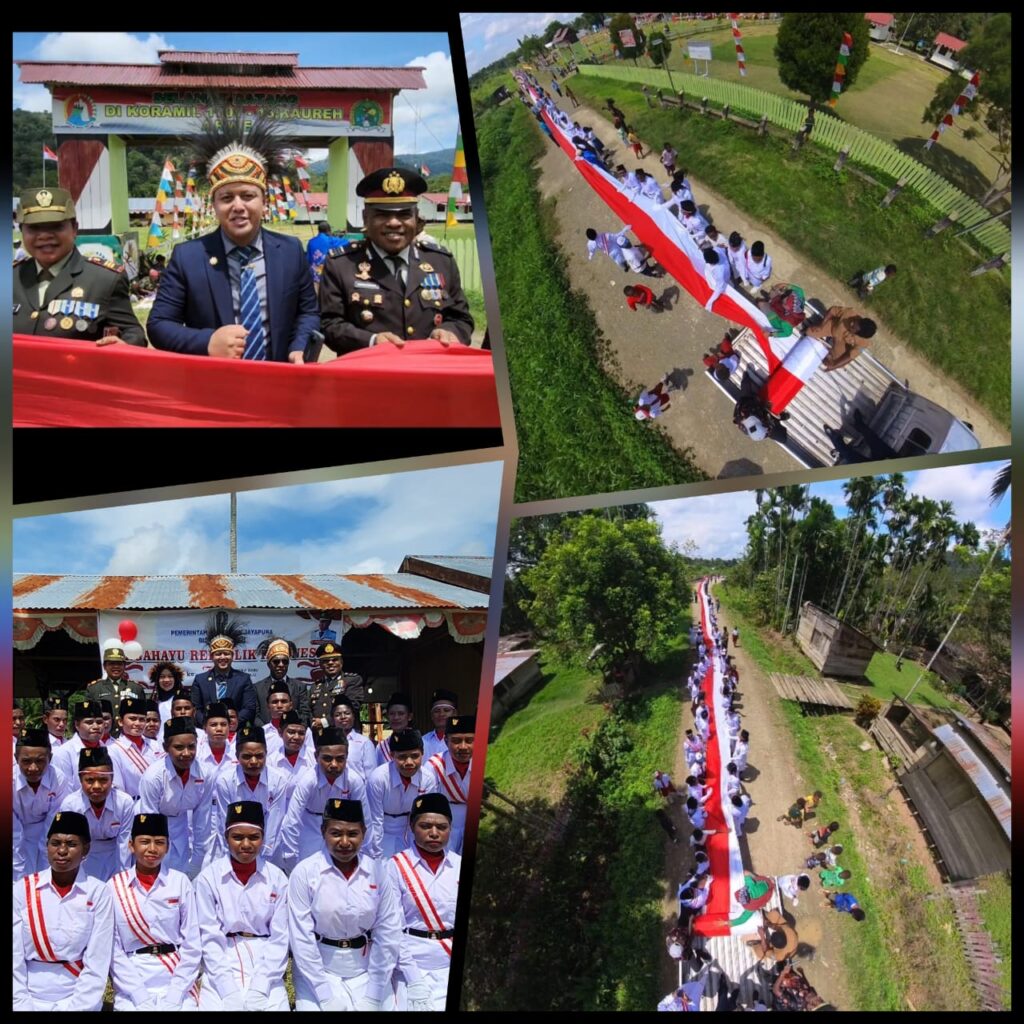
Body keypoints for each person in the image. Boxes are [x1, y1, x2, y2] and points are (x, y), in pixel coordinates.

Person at [147, 109, 319, 361]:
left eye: (248, 196)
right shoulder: (188, 257)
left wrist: (298, 347)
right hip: (214, 379)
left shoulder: (291, 250)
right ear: (214, 205)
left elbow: (308, 312)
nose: (238, 206)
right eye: (227, 198)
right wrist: (207, 342)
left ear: (264, 202)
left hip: (279, 375)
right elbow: (159, 324)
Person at [319, 166, 474, 354]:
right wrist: (371, 341)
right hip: (368, 369)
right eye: (382, 214)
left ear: (416, 218)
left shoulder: (441, 261)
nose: (394, 222)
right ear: (365, 218)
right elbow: (329, 323)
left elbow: (461, 318)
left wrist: (450, 331)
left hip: (430, 368)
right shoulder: (341, 264)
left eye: (404, 214)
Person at [288, 798, 402, 1011]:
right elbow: (301, 938)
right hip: (319, 969)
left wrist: (374, 994)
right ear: (323, 832)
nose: (344, 842)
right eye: (336, 833)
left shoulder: (378, 872)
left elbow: (388, 932)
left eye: (352, 834)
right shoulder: (304, 873)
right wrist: (324, 995)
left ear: (364, 833)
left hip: (366, 968)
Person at [13, 186, 146, 344]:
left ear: (74, 229)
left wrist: (126, 344)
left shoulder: (105, 279)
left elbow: (133, 332)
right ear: (22, 231)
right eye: (34, 228)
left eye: (56, 226)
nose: (45, 236)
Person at [13, 811, 115, 1011]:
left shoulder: (98, 892)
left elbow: (97, 960)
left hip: (77, 994)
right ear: (47, 846)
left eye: (71, 844)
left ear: (86, 849)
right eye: (55, 843)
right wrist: (22, 1004)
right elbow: (14, 956)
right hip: (27, 994)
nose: (61, 850)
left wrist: (77, 1007)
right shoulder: (22, 889)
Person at [194, 801, 291, 1011]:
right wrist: (227, 989)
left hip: (266, 958)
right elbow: (209, 937)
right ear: (226, 838)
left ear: (263, 838)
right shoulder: (208, 878)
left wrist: (261, 986)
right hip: (222, 957)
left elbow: (280, 937)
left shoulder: (277, 878)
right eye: (237, 837)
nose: (246, 844)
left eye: (254, 837)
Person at [108, 812, 202, 1010]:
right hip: (133, 975)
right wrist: (139, 994)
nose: (152, 849)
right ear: (131, 845)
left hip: (175, 972)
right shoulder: (114, 886)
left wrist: (176, 993)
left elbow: (192, 943)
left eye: (159, 842)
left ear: (168, 847)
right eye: (144, 842)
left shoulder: (180, 882)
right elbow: (113, 949)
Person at [387, 792, 460, 1011]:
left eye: (442, 827)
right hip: (411, 964)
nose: (434, 833)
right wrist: (414, 979)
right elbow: (392, 928)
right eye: (425, 826)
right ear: (412, 827)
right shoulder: (395, 866)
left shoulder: (458, 865)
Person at [278, 727, 372, 872]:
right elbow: (291, 822)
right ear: (316, 757)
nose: (334, 764)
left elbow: (365, 820)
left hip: (341, 833)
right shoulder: (308, 781)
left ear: (347, 757)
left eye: (340, 759)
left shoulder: (354, 780)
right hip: (310, 831)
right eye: (327, 758)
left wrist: (365, 857)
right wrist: (292, 863)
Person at [137, 717, 214, 877]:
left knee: (183, 877)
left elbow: (202, 820)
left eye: (191, 746)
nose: (186, 753)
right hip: (152, 823)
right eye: (179, 747)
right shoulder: (153, 777)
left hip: (181, 825)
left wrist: (198, 860)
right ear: (166, 747)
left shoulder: (205, 774)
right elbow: (150, 824)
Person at [209, 721, 290, 867]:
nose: (253, 761)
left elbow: (274, 823)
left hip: (268, 851)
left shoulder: (278, 780)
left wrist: (262, 857)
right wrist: (235, 854)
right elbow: (224, 822)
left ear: (266, 754)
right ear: (237, 756)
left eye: (259, 756)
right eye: (247, 756)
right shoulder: (225, 780)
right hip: (234, 849)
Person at [57, 746, 133, 881]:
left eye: (103, 780)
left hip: (114, 854)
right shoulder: (70, 805)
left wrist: (123, 877)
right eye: (90, 780)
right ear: (80, 780)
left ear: (112, 779)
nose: (97, 786)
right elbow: (70, 844)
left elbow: (124, 844)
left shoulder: (124, 802)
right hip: (84, 855)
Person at [366, 729, 440, 860]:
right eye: (402, 757)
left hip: (411, 831)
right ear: (392, 755)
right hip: (383, 832)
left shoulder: (428, 779)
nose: (409, 762)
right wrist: (376, 856)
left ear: (422, 754)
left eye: (415, 756)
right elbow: (375, 821)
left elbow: (423, 818)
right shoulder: (378, 778)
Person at [13, 727, 73, 880]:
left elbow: (55, 820)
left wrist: (46, 853)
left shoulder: (58, 779)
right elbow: (14, 833)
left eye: (40, 761)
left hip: (47, 831)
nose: (33, 768)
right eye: (26, 761)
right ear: (16, 758)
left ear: (50, 758)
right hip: (16, 833)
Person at [191, 614, 258, 726]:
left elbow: (249, 708)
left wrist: (230, 723)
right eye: (218, 654)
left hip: (235, 731)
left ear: (232, 656)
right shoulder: (200, 680)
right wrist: (209, 724)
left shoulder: (243, 679)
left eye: (226, 654)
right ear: (211, 656)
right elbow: (196, 708)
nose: (222, 657)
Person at [426, 715, 474, 853]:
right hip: (444, 821)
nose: (463, 747)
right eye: (456, 741)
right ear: (446, 741)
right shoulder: (434, 766)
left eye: (469, 740)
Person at [108, 697, 162, 799]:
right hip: (131, 804)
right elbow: (117, 789)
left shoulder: (156, 746)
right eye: (132, 719)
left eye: (142, 719)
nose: (137, 723)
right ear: (120, 721)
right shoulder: (112, 750)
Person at [252, 637, 312, 726]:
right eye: (276, 661)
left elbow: (305, 714)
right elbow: (255, 715)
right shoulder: (257, 688)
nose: (281, 665)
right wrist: (267, 731)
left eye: (285, 661)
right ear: (268, 664)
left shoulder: (299, 687)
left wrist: (291, 730)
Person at [309, 641, 368, 725]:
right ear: (320, 664)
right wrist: (313, 723)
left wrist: (324, 722)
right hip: (319, 731)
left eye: (335, 660)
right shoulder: (315, 686)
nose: (330, 663)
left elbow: (352, 706)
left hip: (343, 731)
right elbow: (308, 709)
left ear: (341, 662)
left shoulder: (353, 680)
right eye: (326, 661)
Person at [806, 306, 877, 372]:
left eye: (853, 327)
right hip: (832, 327)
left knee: (837, 362)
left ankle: (828, 349)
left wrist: (834, 366)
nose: (851, 323)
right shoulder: (850, 313)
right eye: (854, 321)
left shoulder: (864, 342)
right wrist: (821, 325)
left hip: (841, 342)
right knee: (809, 332)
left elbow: (850, 356)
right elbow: (832, 311)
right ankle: (827, 342)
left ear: (857, 334)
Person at [331, 694, 377, 781]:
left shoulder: (364, 742)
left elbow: (371, 776)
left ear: (353, 717)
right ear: (332, 720)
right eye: (338, 714)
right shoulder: (328, 742)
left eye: (347, 713)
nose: (343, 717)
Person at [377, 692, 415, 766]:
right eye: (392, 714)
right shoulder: (381, 747)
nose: (396, 717)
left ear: (410, 716)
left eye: (401, 713)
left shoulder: (421, 743)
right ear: (387, 717)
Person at [306, 221, 347, 287]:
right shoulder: (331, 240)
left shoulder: (311, 242)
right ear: (328, 231)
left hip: (314, 277)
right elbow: (346, 242)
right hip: (326, 277)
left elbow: (308, 259)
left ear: (319, 231)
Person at [423, 690, 459, 761]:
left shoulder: (463, 741)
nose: (441, 714)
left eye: (446, 710)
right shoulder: (422, 741)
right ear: (432, 715)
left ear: (455, 714)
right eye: (437, 711)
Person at [703, 248, 731, 313]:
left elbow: (719, 288)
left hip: (724, 281)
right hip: (725, 275)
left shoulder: (719, 272)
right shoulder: (717, 250)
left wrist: (710, 302)